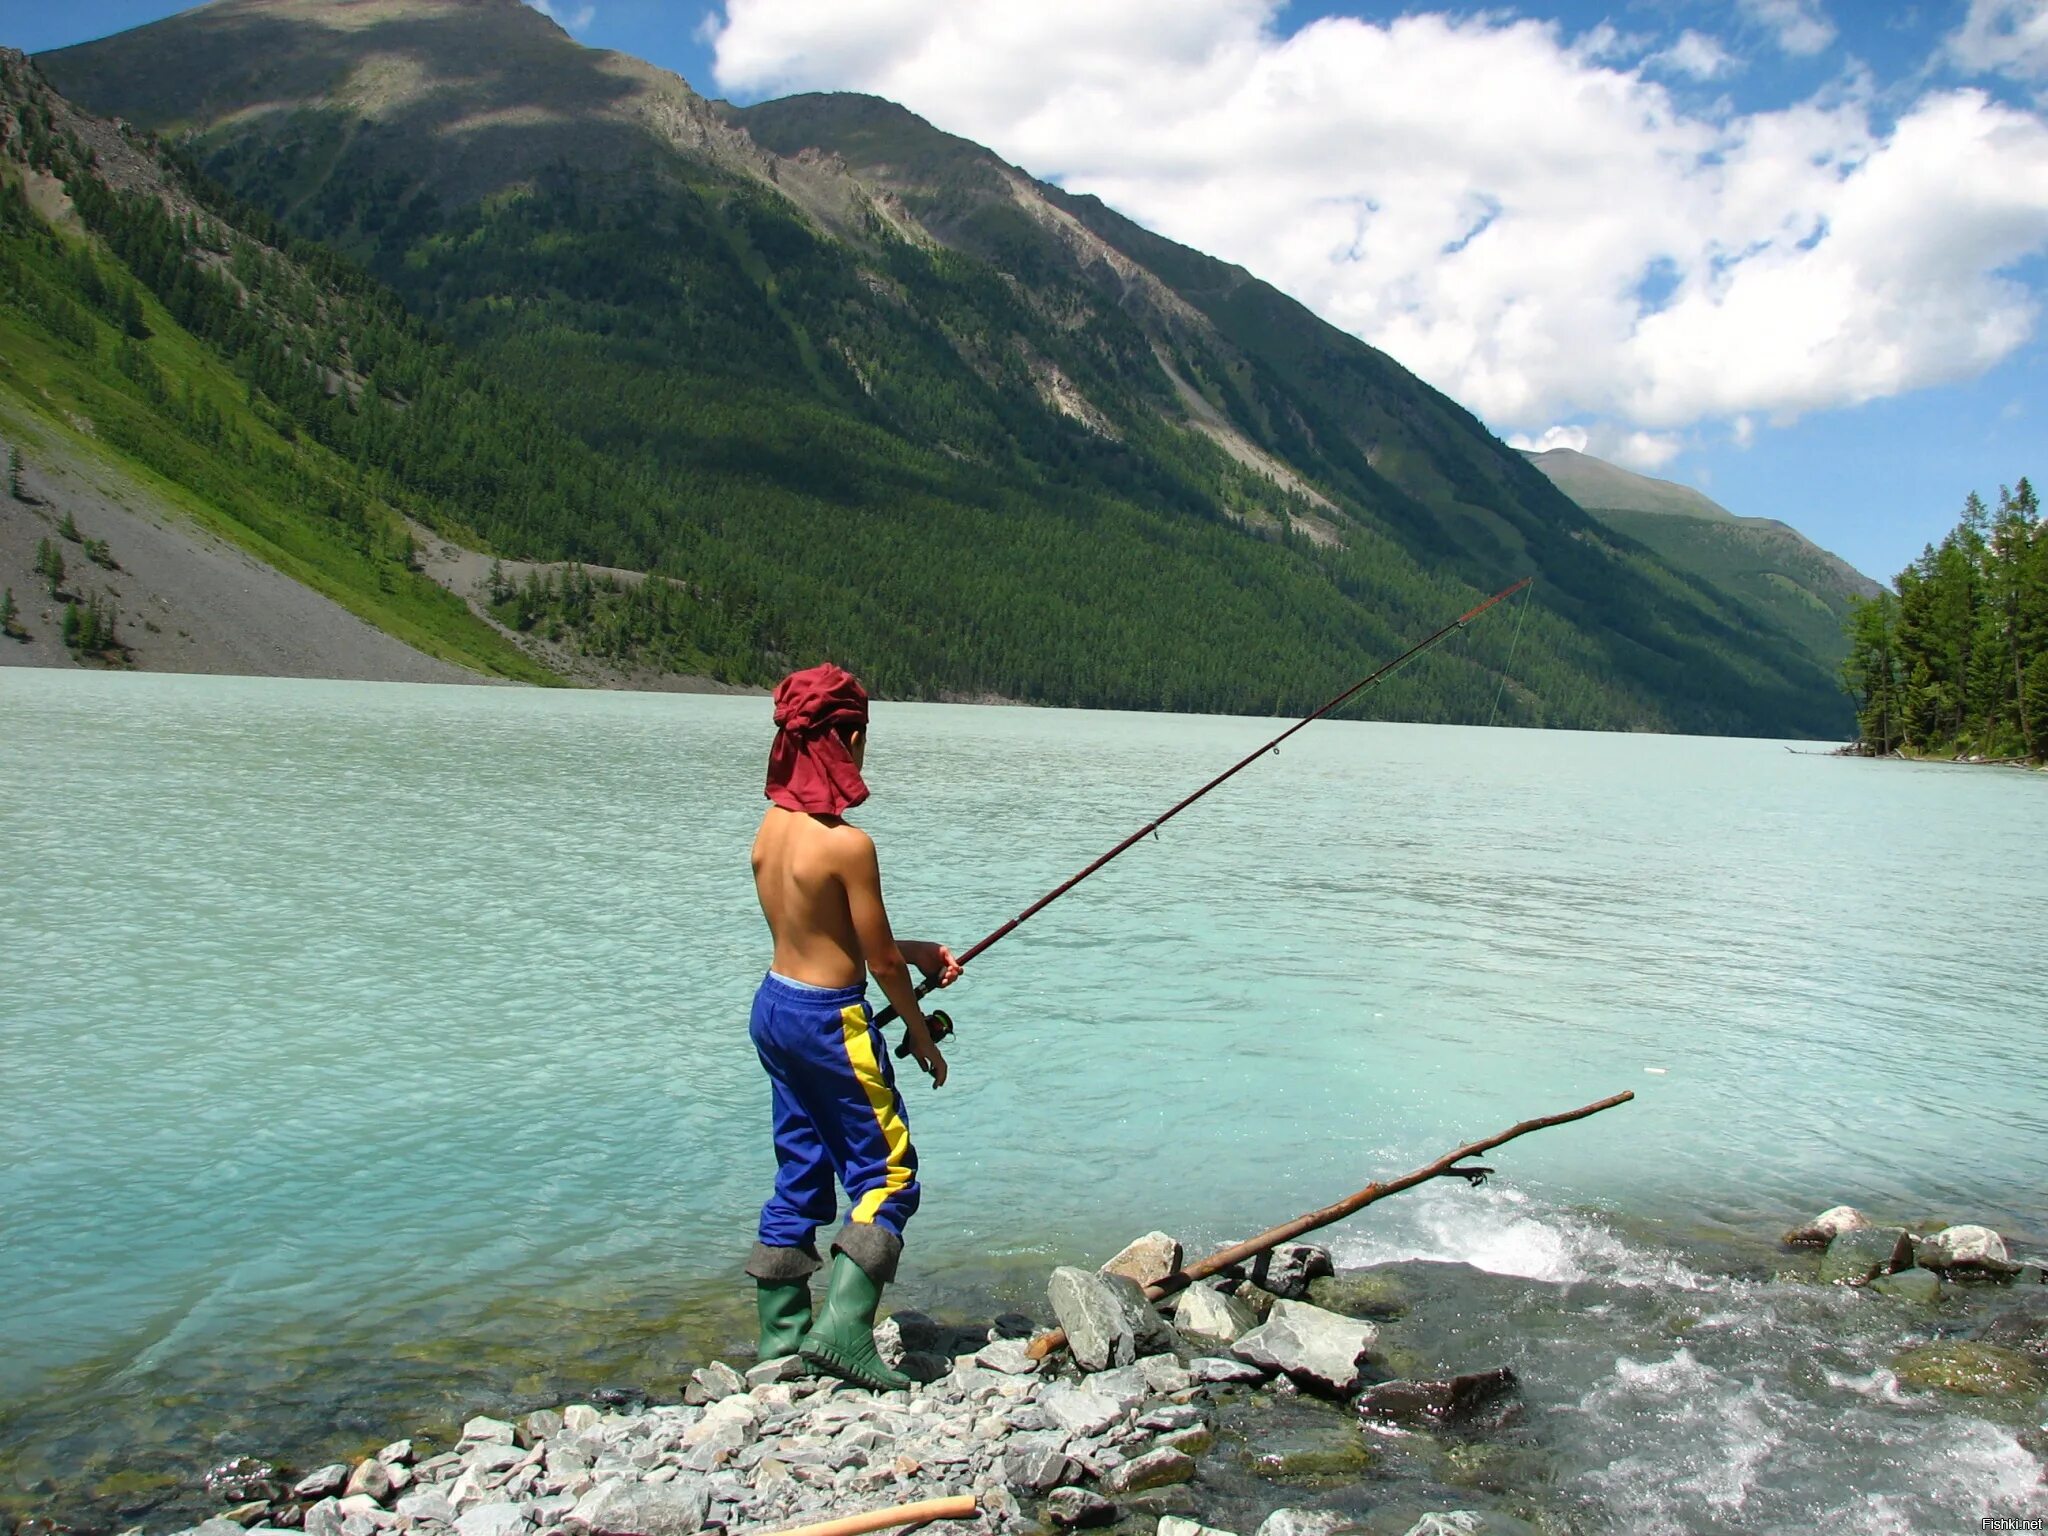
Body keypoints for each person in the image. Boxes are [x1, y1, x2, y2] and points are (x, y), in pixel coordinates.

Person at [745, 662, 959, 1390]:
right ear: (851, 737)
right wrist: (922, 1035)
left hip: (774, 1008)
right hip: (830, 1023)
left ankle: (781, 1338)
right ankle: (842, 1332)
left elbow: (831, 936)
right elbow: (882, 972)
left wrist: (919, 950)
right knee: (889, 1173)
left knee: (802, 1165)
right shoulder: (849, 846)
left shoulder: (771, 832)